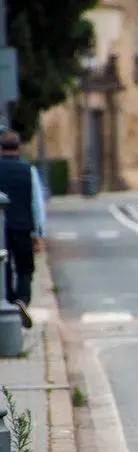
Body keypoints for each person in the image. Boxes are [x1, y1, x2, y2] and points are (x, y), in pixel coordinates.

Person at [0, 130, 46, 329]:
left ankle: (9, 300)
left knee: (4, 266)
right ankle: (22, 300)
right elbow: (37, 203)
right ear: (18, 148)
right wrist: (38, 233)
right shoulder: (29, 170)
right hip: (22, 226)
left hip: (1, 229)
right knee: (25, 268)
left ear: (1, 149)